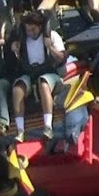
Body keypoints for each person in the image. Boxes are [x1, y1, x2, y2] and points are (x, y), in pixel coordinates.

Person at [10, 10, 67, 141]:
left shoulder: (52, 36)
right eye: (28, 30)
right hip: (30, 74)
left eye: (33, 29)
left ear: (40, 27)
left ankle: (48, 126)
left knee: (43, 83)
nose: (31, 33)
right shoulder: (23, 40)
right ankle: (20, 130)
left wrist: (50, 48)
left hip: (51, 74)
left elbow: (61, 58)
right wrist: (15, 49)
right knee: (18, 88)